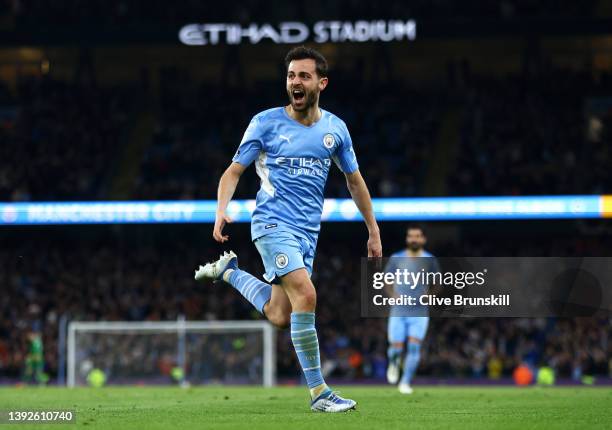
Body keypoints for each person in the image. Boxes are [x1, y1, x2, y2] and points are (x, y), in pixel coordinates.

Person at [195, 46, 382, 412]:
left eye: (304, 76)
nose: (295, 82)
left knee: (281, 315)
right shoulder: (264, 123)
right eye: (291, 76)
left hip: (307, 233)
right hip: (271, 224)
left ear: (321, 83)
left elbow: (355, 182)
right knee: (307, 296)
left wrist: (372, 230)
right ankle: (319, 394)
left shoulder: (335, 130)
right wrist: (220, 210)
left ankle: (230, 273)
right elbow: (234, 171)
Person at [385, 225, 438, 394]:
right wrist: (392, 294)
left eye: (417, 236)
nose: (413, 239)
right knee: (397, 348)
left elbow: (438, 282)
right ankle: (393, 362)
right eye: (410, 236)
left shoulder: (430, 259)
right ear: (407, 239)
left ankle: (405, 382)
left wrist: (431, 295)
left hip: (419, 312)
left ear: (423, 239)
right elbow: (386, 279)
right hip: (399, 311)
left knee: (414, 347)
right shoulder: (396, 258)